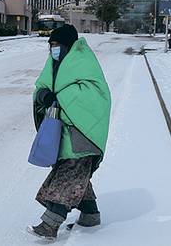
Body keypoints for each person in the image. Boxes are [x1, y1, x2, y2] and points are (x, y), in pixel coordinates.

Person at [29, 24, 111, 241]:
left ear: (67, 46)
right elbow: (42, 87)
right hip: (65, 133)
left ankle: (50, 224)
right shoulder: (55, 64)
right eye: (51, 46)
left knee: (68, 176)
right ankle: (90, 215)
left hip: (83, 133)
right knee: (77, 175)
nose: (53, 50)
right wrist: (43, 96)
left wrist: (59, 99)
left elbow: (92, 97)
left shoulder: (84, 63)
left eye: (56, 45)